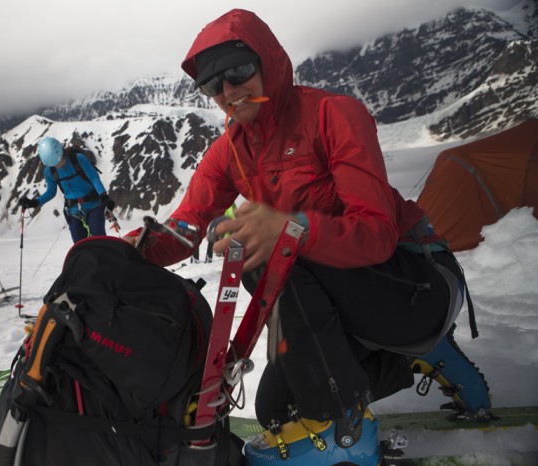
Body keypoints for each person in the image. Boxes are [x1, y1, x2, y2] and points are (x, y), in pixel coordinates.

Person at [125, 9, 491, 465]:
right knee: (276, 409)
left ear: (269, 62)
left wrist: (289, 228)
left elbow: (377, 235)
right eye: (213, 86)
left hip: (415, 281)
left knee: (265, 251)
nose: (229, 92)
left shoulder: (332, 115)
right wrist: (133, 248)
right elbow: (185, 227)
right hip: (352, 301)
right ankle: (412, 357)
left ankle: (345, 427)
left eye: (239, 72)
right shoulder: (229, 153)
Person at [19, 137, 114, 243]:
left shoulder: (78, 159)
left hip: (94, 205)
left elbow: (94, 177)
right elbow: (51, 192)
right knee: (79, 246)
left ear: (61, 153)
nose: (57, 166)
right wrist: (34, 202)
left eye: (58, 161)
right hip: (73, 210)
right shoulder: (50, 171)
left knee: (99, 240)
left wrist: (103, 194)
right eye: (53, 164)